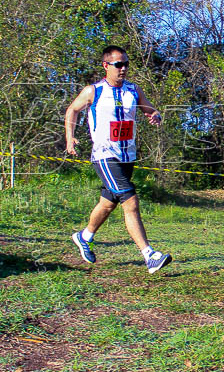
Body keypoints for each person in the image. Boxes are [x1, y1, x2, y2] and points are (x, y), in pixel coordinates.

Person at [65, 46, 172, 274]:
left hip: (127, 156)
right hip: (104, 155)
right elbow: (72, 110)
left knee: (108, 202)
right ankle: (149, 255)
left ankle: (84, 237)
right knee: (130, 201)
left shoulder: (133, 90)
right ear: (106, 66)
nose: (123, 69)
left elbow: (149, 110)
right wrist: (70, 138)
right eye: (118, 65)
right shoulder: (93, 91)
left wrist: (156, 115)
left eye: (125, 64)